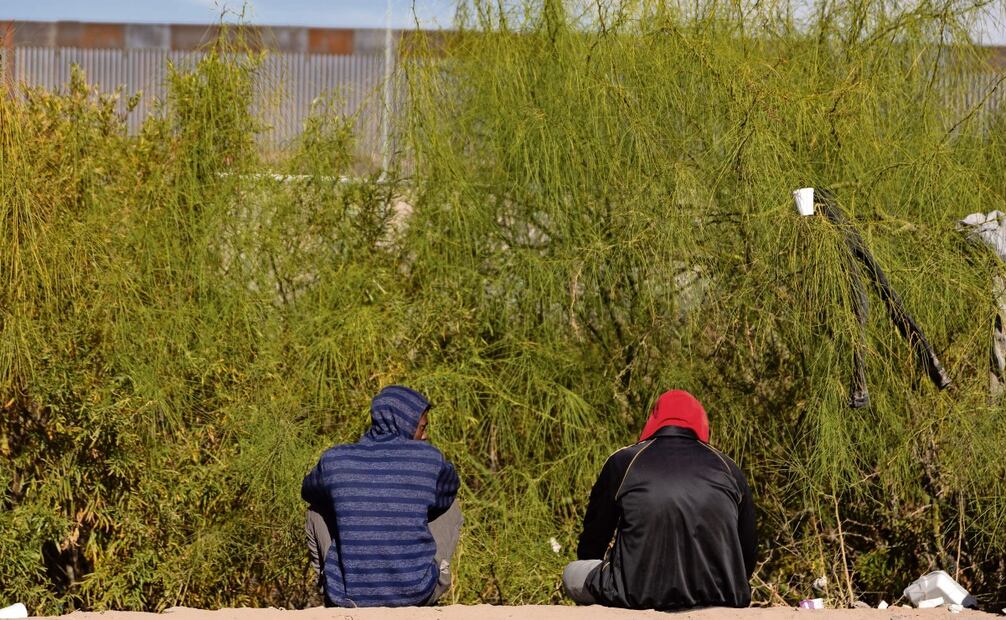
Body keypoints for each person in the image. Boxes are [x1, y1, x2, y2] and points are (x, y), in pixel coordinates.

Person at [562, 389, 756, 610]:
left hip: (634, 593)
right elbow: (747, 551)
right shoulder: (729, 468)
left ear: (654, 421)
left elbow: (594, 538)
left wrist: (603, 572)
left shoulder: (624, 461)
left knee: (572, 573)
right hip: (721, 595)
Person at [301, 385, 462, 607]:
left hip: (350, 596)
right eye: (422, 428)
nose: (425, 436)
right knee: (450, 506)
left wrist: (354, 499)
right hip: (417, 594)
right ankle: (428, 574)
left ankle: (332, 584)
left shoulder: (335, 459)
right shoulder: (429, 458)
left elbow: (308, 490)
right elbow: (450, 488)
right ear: (404, 423)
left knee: (316, 511)